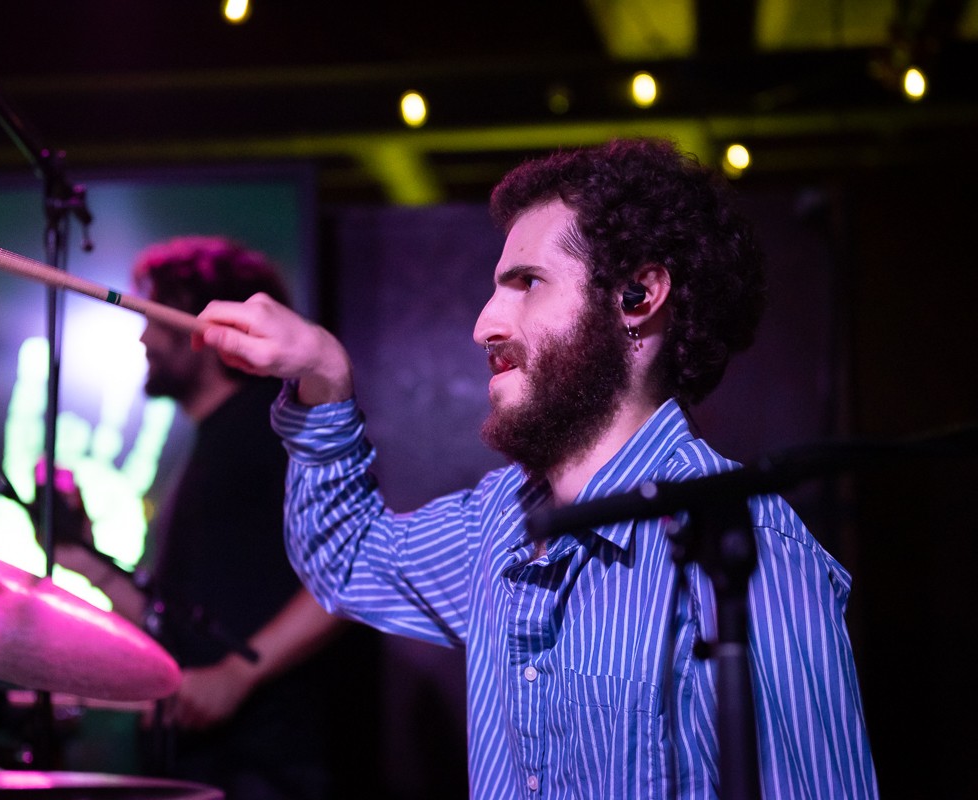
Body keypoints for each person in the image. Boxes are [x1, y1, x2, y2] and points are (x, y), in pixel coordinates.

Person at [191, 139, 879, 798]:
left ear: (638, 295)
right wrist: (322, 376)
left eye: (527, 283)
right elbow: (346, 560)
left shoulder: (747, 545)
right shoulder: (500, 522)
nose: (485, 323)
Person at [53, 236, 350, 799]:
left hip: (267, 763)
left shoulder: (272, 430)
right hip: (210, 760)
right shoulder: (211, 441)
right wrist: (85, 563)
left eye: (154, 318)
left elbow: (352, 574)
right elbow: (180, 623)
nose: (143, 337)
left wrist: (239, 673)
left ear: (208, 330)